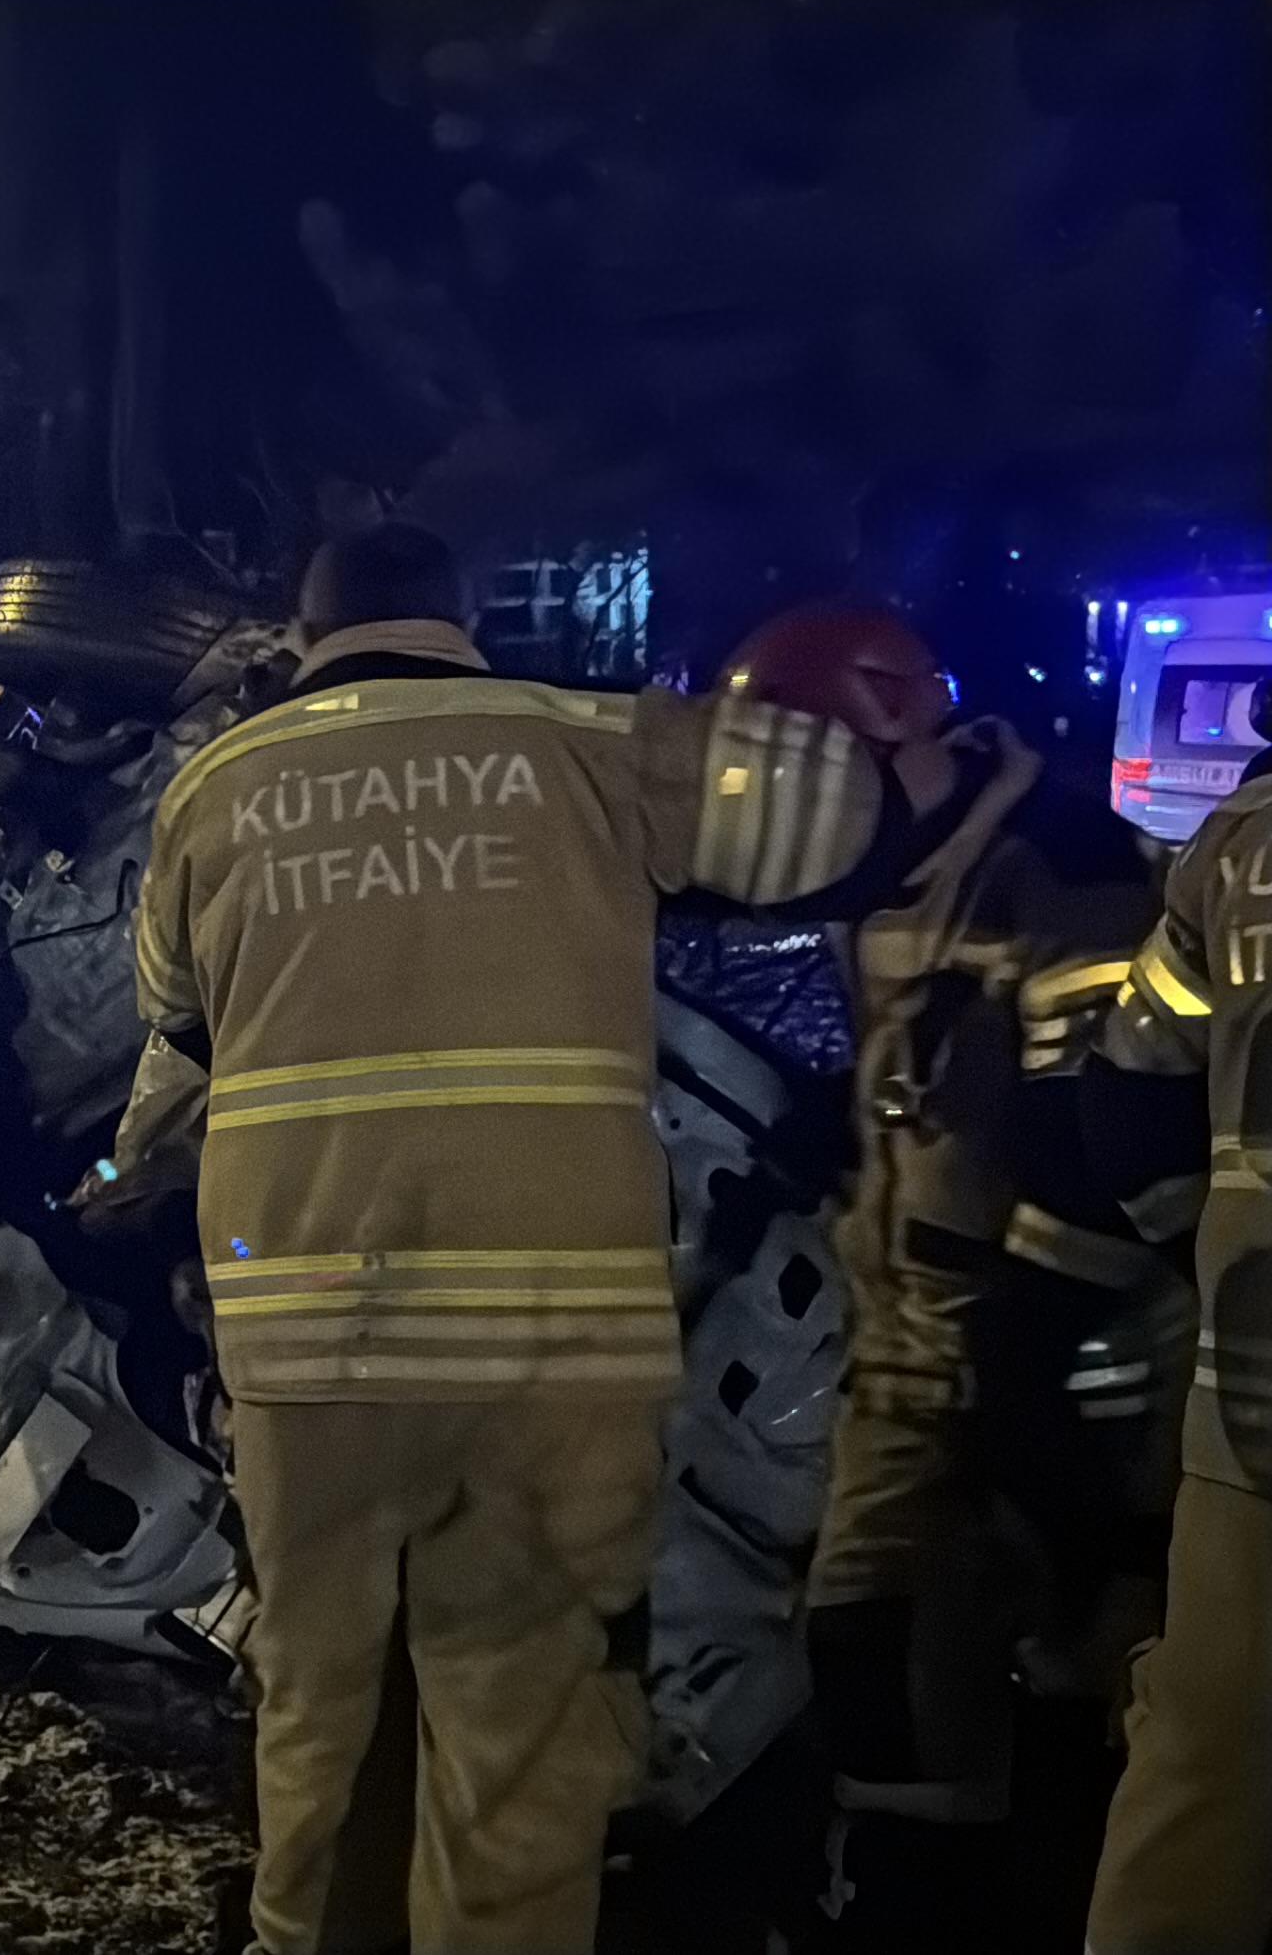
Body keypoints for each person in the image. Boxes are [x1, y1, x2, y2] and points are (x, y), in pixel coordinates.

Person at [111, 524, 909, 1955]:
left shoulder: (217, 786)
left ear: (306, 635)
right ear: (464, 616)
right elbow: (842, 815)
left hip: (309, 1341)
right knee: (523, 1735)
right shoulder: (592, 745)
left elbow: (172, 1010)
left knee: (318, 1709)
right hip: (551, 1342)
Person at [722, 606, 1174, 1949]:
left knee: (1093, 1669)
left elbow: (1107, 1140)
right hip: (917, 1352)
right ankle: (913, 1907)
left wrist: (1036, 1368)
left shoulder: (1060, 865)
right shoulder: (897, 869)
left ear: (888, 729)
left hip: (1069, 1359)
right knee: (877, 1648)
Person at [1074, 678, 1272, 1955]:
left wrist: (1199, 1259)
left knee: (1206, 1771)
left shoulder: (1239, 845)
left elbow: (1129, 1095)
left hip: (1249, 1395)